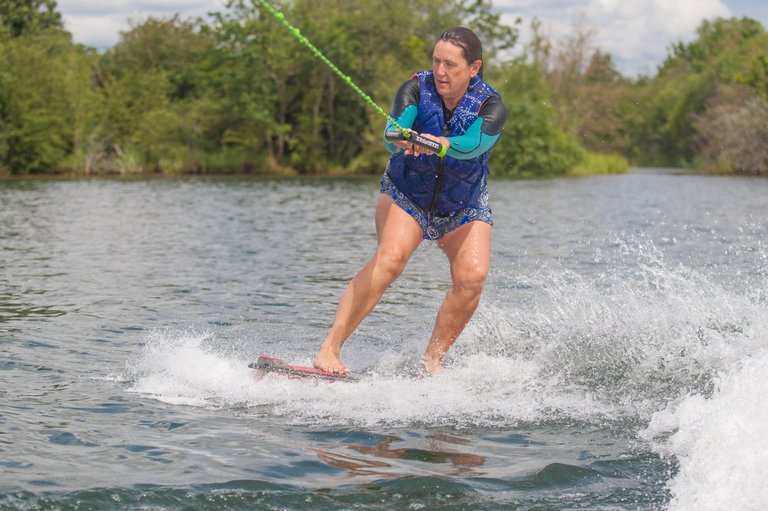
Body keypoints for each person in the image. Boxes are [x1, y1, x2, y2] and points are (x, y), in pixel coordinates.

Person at [314, 26, 507, 375]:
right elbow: (391, 135)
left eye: (450, 64)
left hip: (464, 204)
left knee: (473, 277)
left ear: (474, 68)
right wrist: (402, 137)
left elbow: (476, 143)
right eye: (436, 61)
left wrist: (442, 143)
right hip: (407, 195)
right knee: (390, 260)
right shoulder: (415, 88)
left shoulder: (491, 105)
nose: (441, 72)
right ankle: (329, 350)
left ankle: (432, 360)